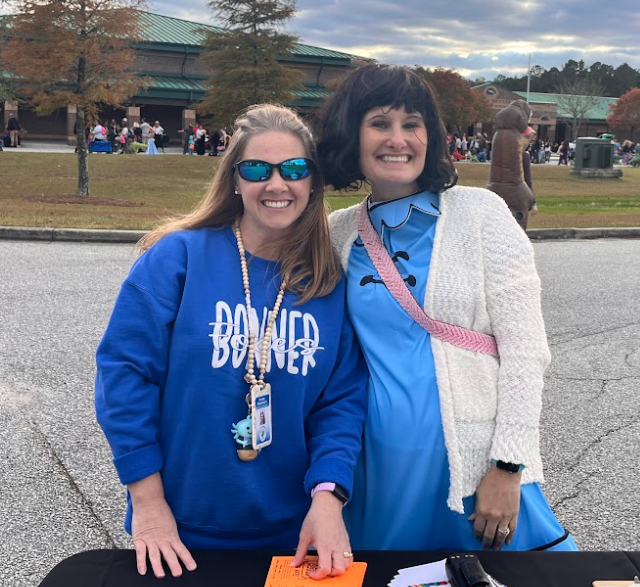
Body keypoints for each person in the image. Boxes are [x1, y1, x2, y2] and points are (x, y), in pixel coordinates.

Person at [95, 104, 367, 580]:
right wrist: (148, 502)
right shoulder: (177, 258)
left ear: (312, 182)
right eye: (258, 169)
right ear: (235, 179)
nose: (277, 184)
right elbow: (124, 377)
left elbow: (340, 404)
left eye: (295, 169)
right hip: (177, 531)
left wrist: (329, 497)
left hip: (293, 536)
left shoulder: (326, 282)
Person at [317, 64, 576, 553]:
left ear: (430, 136)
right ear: (352, 134)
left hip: (472, 468)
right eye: (380, 123)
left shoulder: (482, 214)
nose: (398, 139)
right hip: (373, 468)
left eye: (412, 124)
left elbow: (525, 352)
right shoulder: (337, 231)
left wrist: (508, 466)